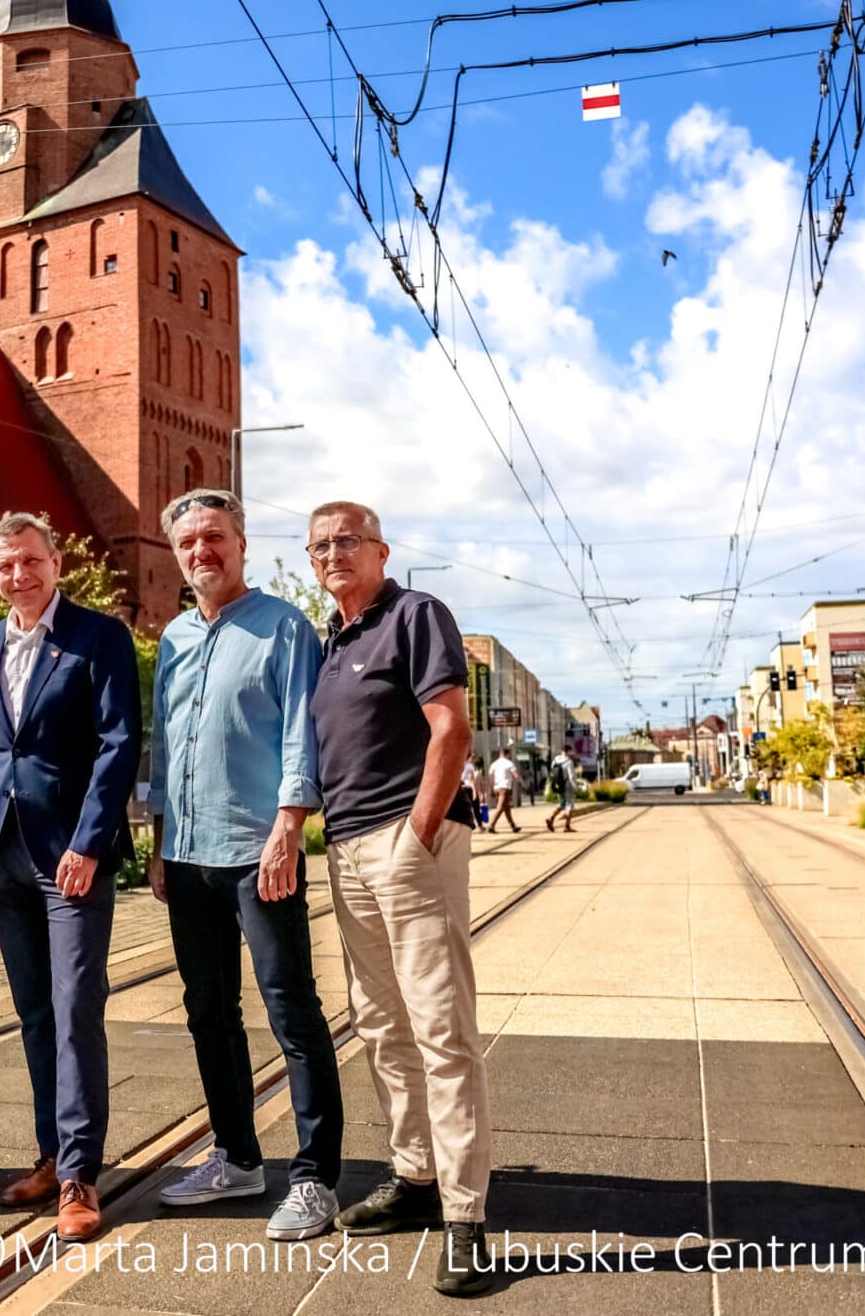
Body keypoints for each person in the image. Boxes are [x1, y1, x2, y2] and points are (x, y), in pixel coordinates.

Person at [305, 501, 493, 1297]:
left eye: (347, 540)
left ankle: (466, 1217)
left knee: (439, 1026)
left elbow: (450, 727)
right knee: (380, 1024)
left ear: (381, 549)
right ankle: (415, 1177)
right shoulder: (330, 639)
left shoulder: (415, 613)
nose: (332, 554)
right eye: (318, 545)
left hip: (405, 841)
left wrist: (418, 834)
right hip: (347, 847)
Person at [148, 489, 344, 1242]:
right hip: (187, 854)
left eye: (215, 537)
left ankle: (316, 1177)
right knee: (209, 1014)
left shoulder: (285, 627)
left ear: (241, 543)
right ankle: (236, 1157)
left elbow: (302, 730)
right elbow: (166, 747)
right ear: (177, 554)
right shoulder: (171, 638)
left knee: (291, 1010)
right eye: (189, 541)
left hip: (256, 850)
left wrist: (289, 825)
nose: (203, 551)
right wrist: (161, 839)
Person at [0, 513, 141, 1244]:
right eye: (6, 566)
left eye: (31, 562)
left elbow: (119, 742)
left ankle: (79, 1177)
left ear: (56, 561)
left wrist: (90, 841)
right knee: (35, 1014)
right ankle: (50, 1152)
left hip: (70, 856)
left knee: (75, 1012)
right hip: (2, 856)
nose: (20, 576)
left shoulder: (97, 636)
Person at [485, 749, 521, 834]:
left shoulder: (494, 764)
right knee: (500, 807)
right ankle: (491, 825)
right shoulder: (509, 763)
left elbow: (491, 777)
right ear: (507, 754)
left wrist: (491, 788)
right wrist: (521, 783)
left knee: (506, 807)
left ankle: (513, 826)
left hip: (496, 787)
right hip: (504, 787)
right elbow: (516, 775)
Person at [544, 753, 576, 833]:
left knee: (561, 804)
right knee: (569, 805)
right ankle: (567, 826)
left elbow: (552, 773)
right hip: (568, 786)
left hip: (559, 785)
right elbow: (571, 776)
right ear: (569, 751)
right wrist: (575, 786)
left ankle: (550, 819)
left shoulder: (555, 760)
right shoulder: (569, 762)